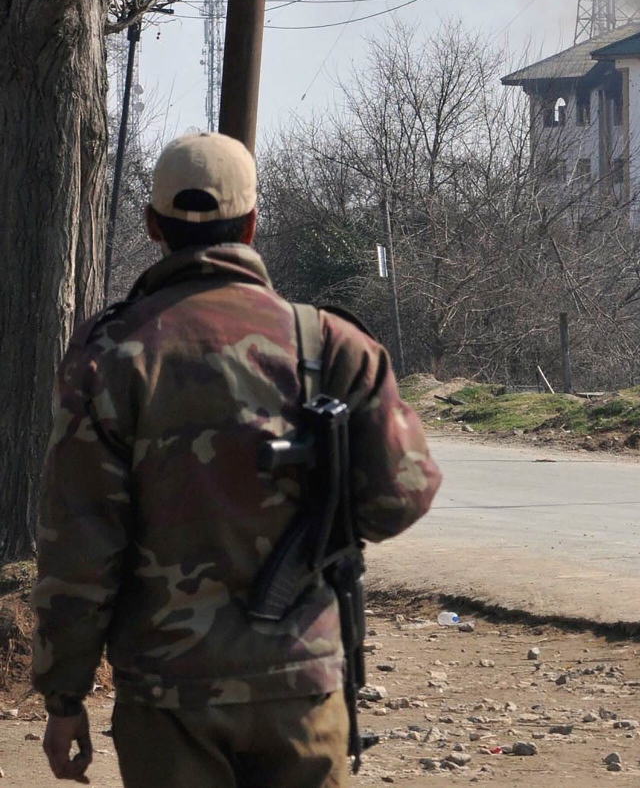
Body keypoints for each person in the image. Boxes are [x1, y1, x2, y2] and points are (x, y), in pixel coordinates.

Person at [32, 132, 442, 786]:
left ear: (151, 226)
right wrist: (320, 521)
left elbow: (79, 539)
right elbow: (402, 496)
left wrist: (64, 694)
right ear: (251, 224)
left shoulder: (110, 354)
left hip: (167, 697)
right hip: (299, 682)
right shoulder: (329, 342)